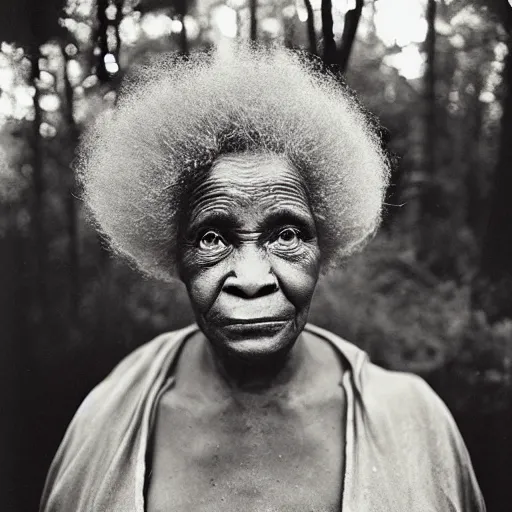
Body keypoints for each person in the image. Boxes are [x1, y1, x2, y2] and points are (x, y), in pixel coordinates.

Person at [40, 46, 485, 512]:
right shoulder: (106, 418)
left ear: (325, 244)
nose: (252, 280)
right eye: (212, 238)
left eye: (287, 234)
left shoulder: (415, 421)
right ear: (171, 252)